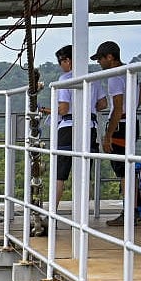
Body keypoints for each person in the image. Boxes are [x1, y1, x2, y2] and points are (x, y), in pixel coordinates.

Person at [92, 40, 141, 226]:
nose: (99, 62)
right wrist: (131, 111)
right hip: (132, 122)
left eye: (100, 59)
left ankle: (129, 213)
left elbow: (116, 107)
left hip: (120, 126)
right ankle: (134, 210)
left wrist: (108, 135)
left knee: (123, 170)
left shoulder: (115, 76)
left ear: (110, 57)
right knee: (128, 167)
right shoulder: (130, 72)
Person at [51, 45, 99, 204]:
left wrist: (50, 110)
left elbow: (64, 109)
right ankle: (84, 212)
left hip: (68, 127)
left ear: (68, 60)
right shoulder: (94, 78)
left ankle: (53, 211)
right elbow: (103, 104)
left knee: (60, 173)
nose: (61, 66)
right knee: (85, 172)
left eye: (61, 62)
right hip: (90, 126)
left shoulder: (65, 79)